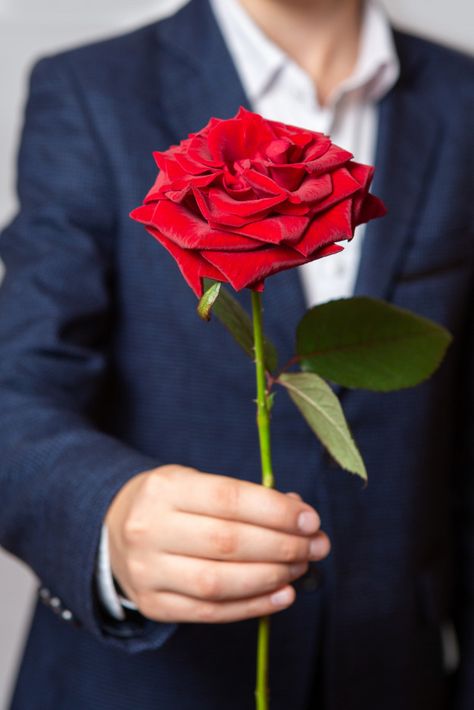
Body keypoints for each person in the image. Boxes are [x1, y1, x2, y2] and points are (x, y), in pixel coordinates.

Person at [0, 0, 472, 708]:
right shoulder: (93, 88)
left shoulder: (462, 100)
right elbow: (15, 389)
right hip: (147, 684)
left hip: (388, 675)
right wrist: (109, 515)